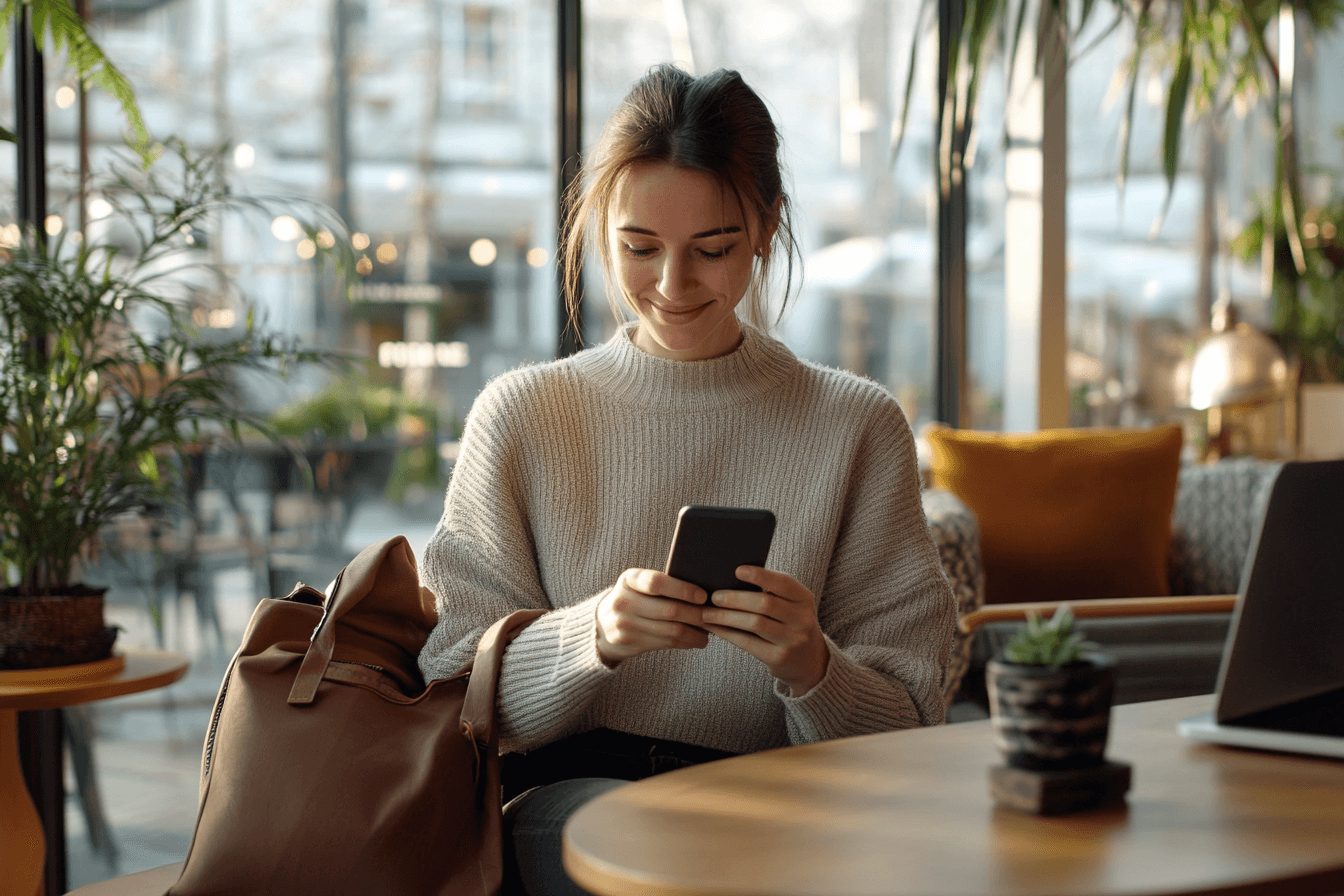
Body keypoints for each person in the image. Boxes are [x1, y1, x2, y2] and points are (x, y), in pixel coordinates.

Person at [418, 63, 956, 896]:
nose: (671, 286)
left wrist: (814, 667)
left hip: (783, 802)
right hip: (566, 798)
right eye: (639, 248)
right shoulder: (523, 414)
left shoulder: (856, 425)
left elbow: (913, 724)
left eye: (714, 249)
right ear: (601, 229)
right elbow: (453, 689)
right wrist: (592, 635)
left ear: (766, 229)